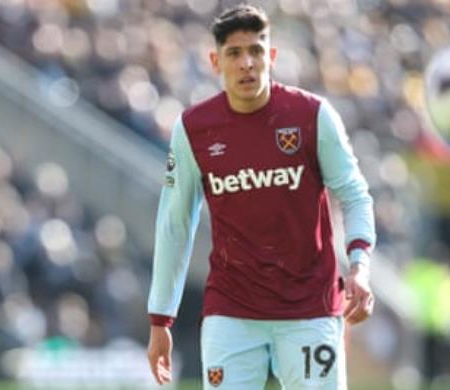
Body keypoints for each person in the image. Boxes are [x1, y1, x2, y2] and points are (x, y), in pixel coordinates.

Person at [146, 4, 376, 389]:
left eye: (255, 51)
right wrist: (160, 319)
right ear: (215, 61)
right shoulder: (193, 129)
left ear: (271, 56)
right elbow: (174, 224)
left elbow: (354, 193)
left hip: (310, 307)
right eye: (234, 53)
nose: (246, 63)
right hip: (232, 311)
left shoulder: (312, 115)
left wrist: (359, 266)